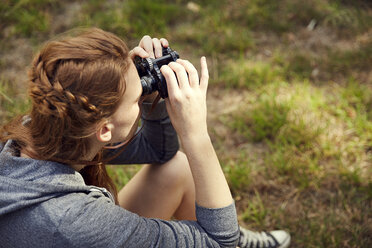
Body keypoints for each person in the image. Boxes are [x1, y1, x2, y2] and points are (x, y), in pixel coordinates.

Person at [0, 28, 290, 248]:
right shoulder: (75, 222)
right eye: (137, 98)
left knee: (176, 169)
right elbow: (218, 243)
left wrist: (140, 93)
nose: (140, 98)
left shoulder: (41, 130)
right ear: (104, 130)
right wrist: (196, 133)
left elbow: (158, 151)